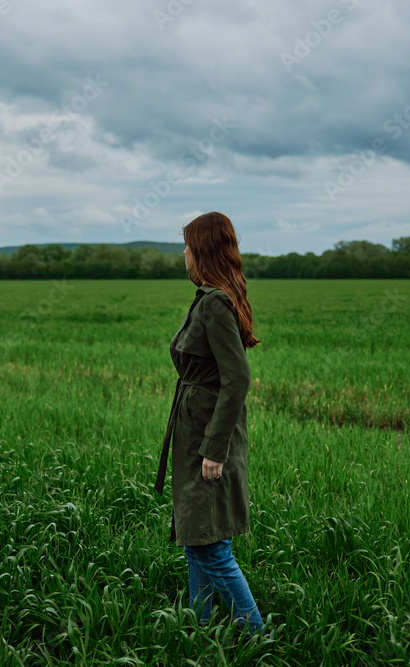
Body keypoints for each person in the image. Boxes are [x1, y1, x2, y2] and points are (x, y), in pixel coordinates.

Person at [153, 211, 263, 634]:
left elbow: (237, 380)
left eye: (187, 245)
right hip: (195, 429)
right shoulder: (210, 296)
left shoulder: (216, 302)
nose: (182, 253)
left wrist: (213, 451)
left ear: (202, 250)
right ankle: (198, 628)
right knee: (198, 536)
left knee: (211, 547)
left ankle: (258, 638)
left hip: (208, 437)